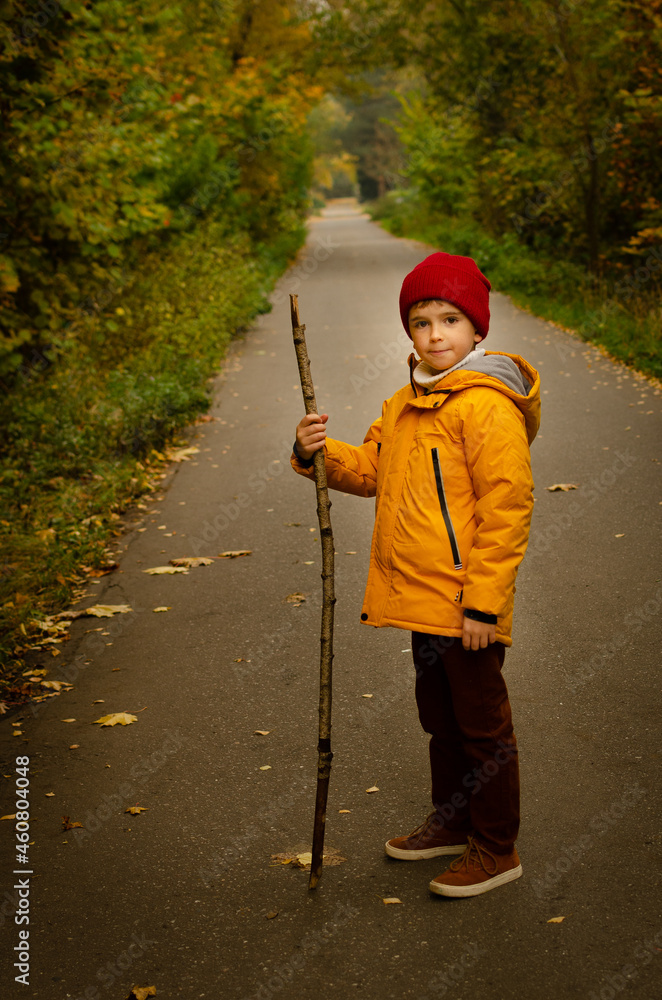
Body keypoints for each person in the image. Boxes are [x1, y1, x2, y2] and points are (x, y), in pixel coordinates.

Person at [291, 251, 540, 897]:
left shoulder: (486, 406)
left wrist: (484, 604)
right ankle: (454, 822)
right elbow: (374, 471)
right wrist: (315, 453)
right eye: (422, 321)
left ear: (478, 329)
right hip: (420, 600)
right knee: (441, 717)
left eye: (450, 319)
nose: (435, 335)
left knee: (483, 727)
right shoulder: (404, 402)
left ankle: (496, 848)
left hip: (466, 604)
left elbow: (507, 507)